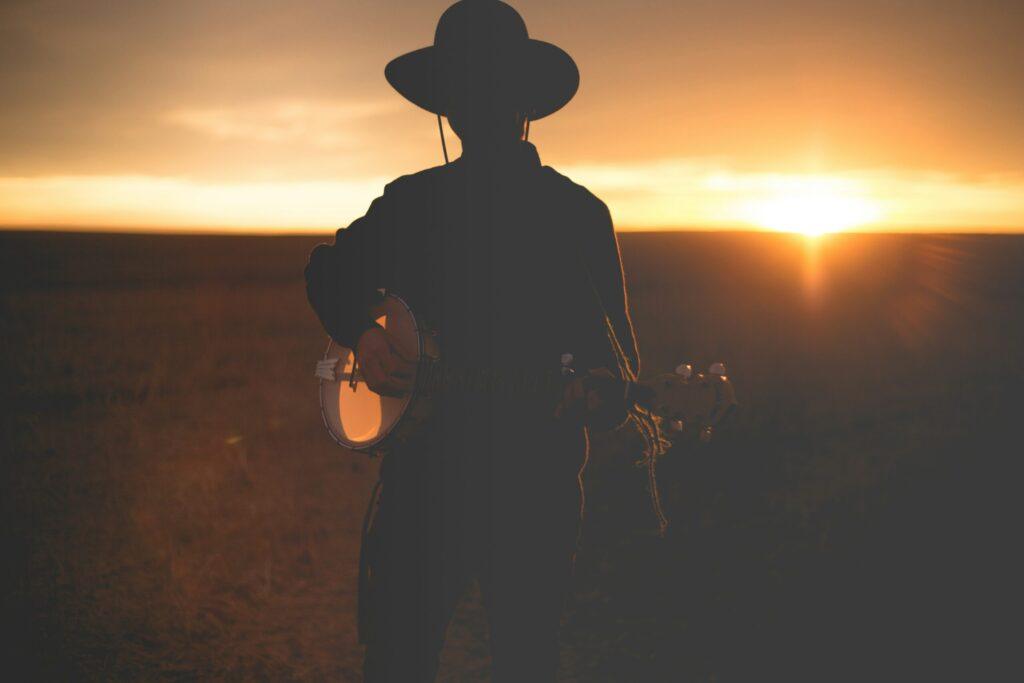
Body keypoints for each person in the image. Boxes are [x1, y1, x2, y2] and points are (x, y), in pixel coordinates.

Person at [304, 2, 640, 680]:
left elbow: (617, 381)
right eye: (469, 88)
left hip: (522, 493)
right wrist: (365, 335)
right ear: (453, 109)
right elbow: (329, 272)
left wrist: (595, 393)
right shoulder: (414, 204)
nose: (478, 104)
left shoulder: (573, 216)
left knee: (513, 659)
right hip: (437, 490)